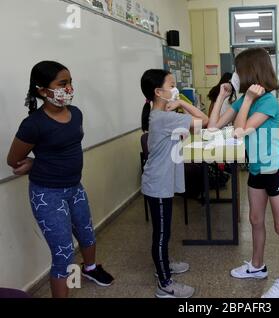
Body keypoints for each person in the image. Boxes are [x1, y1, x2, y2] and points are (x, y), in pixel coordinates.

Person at [6, 61, 114, 298]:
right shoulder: (33, 123)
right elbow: (13, 160)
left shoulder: (75, 113)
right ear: (43, 90)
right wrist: (35, 163)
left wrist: (38, 160)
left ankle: (90, 269)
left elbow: (64, 148)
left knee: (87, 233)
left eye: (70, 82)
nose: (69, 88)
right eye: (62, 84)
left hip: (75, 187)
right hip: (48, 194)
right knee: (63, 253)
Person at [208, 48, 279, 298]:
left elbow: (239, 130)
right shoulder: (244, 98)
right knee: (255, 220)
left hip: (275, 168)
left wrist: (245, 101)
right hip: (257, 169)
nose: (235, 74)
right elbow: (213, 126)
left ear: (250, 70)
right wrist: (223, 96)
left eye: (238, 69)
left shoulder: (268, 101)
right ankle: (257, 267)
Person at [140, 69, 208, 298]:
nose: (175, 88)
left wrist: (177, 103)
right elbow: (205, 121)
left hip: (159, 182)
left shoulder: (159, 115)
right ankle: (164, 284)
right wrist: (182, 103)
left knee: (164, 232)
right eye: (172, 84)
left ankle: (164, 266)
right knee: (161, 234)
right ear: (159, 91)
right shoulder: (165, 118)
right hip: (158, 184)